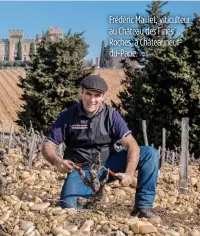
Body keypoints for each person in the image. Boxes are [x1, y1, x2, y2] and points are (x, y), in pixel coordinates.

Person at [41, 74, 160, 220]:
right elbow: (48, 144)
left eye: (97, 96)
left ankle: (143, 206)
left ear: (103, 96)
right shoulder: (68, 116)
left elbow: (132, 145)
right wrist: (57, 161)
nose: (92, 100)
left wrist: (129, 173)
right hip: (81, 170)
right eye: (88, 94)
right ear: (81, 92)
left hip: (108, 166)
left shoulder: (112, 116)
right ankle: (91, 195)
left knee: (149, 153)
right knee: (68, 206)